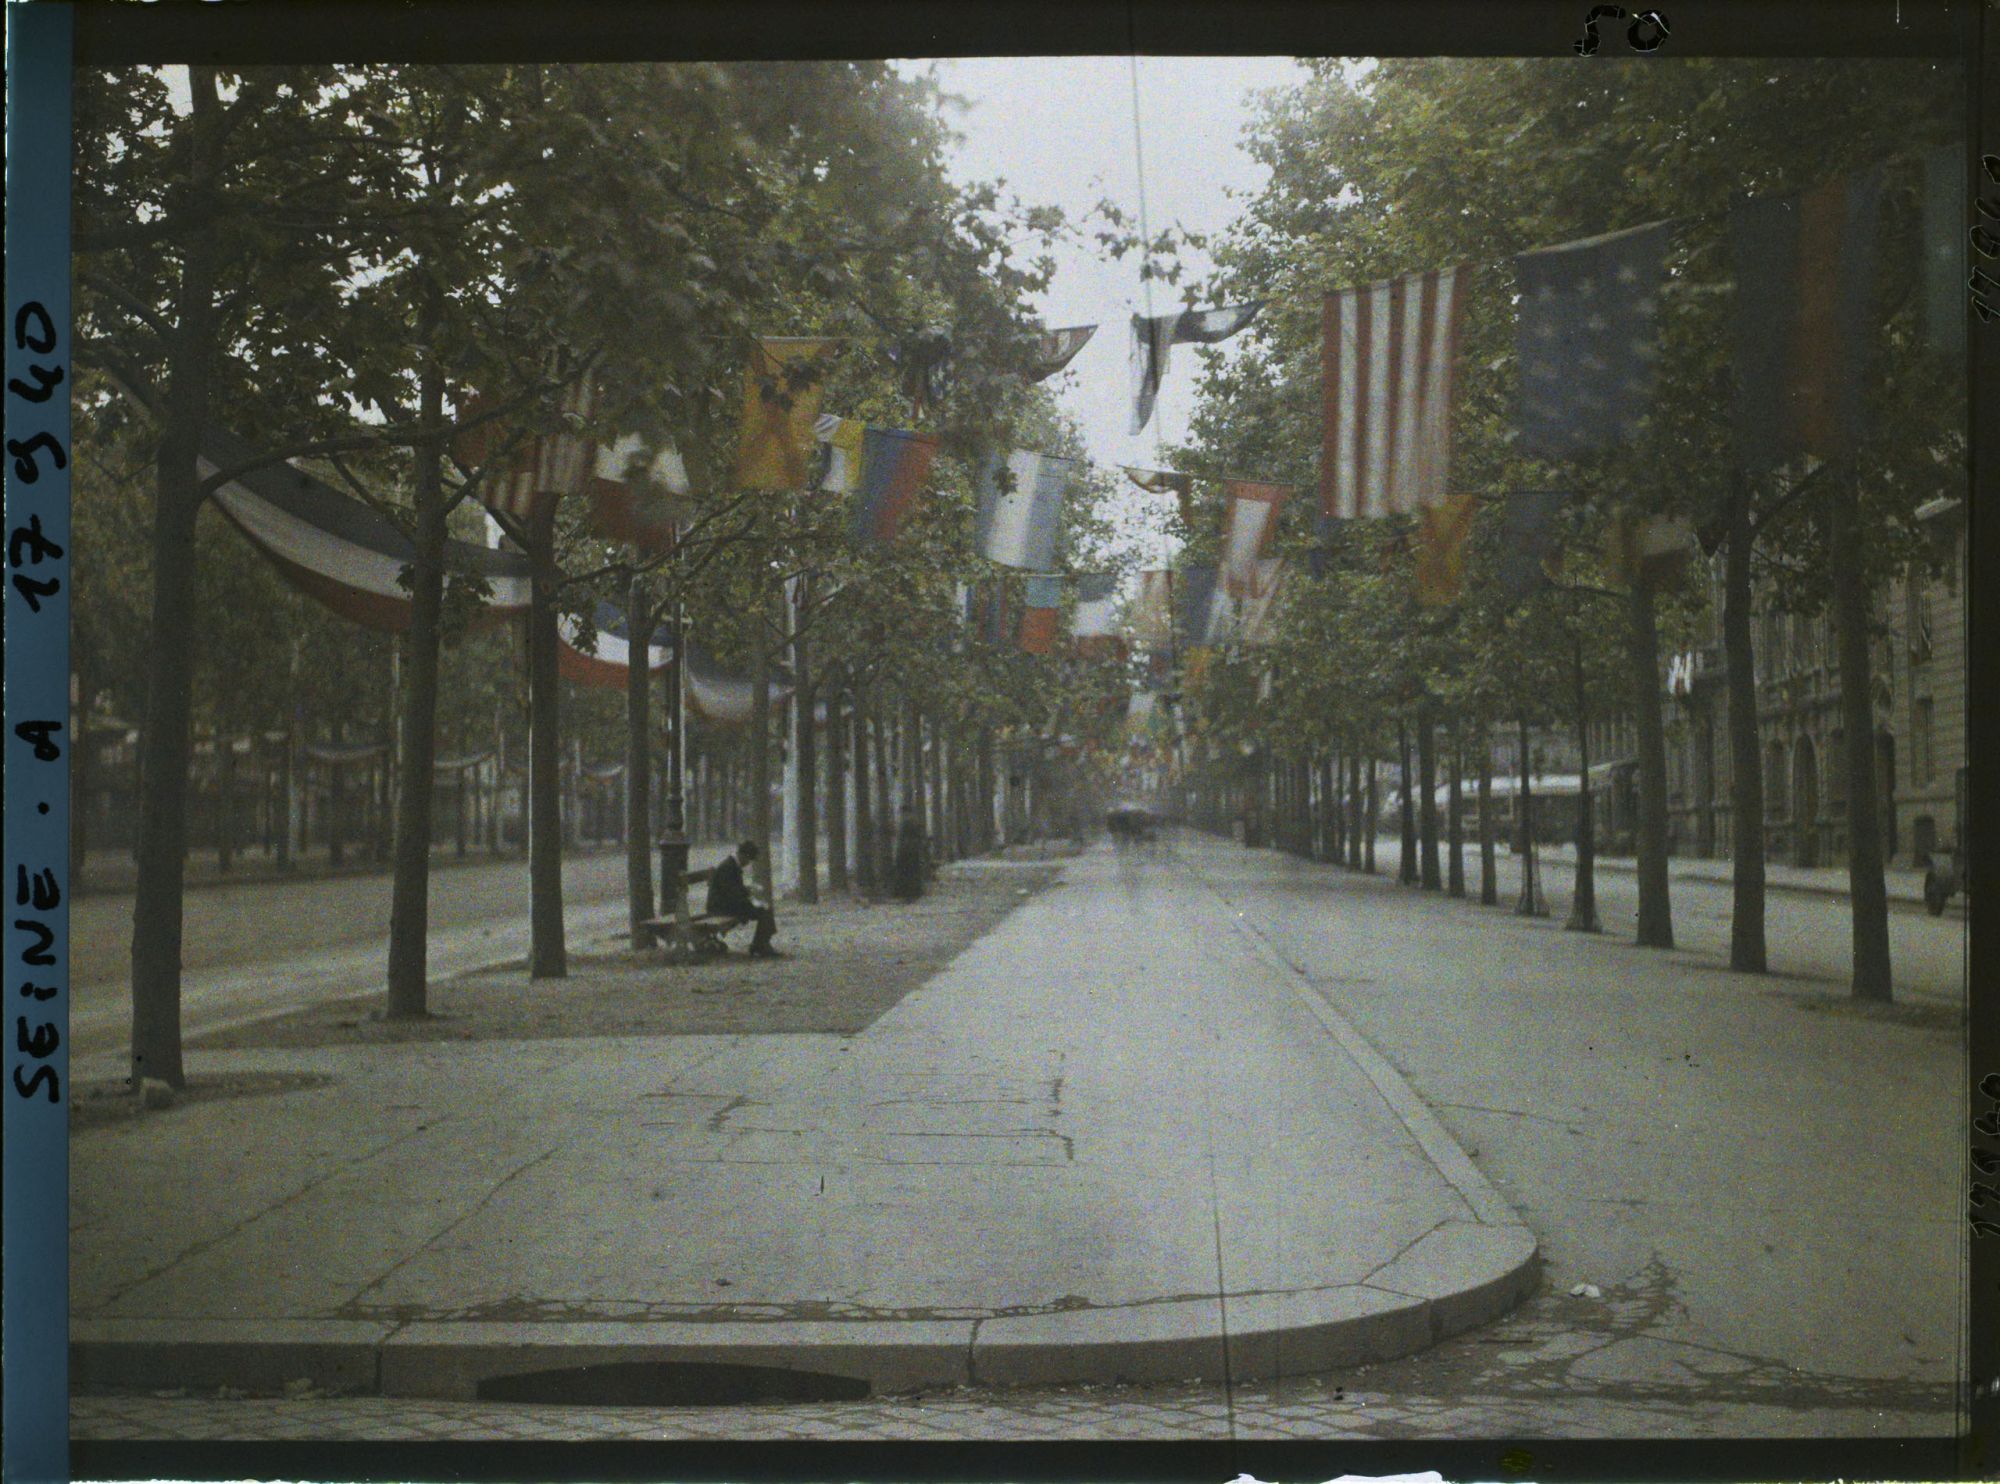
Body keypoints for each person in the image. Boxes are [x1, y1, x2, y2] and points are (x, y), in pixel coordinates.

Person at [706, 841, 779, 958]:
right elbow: (732, 895)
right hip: (721, 908)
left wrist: (749, 892)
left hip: (726, 905)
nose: (748, 863)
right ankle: (760, 946)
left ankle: (761, 945)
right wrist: (751, 900)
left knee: (765, 908)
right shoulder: (728, 867)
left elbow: (734, 891)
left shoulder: (732, 864)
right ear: (743, 855)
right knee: (764, 910)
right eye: (749, 859)